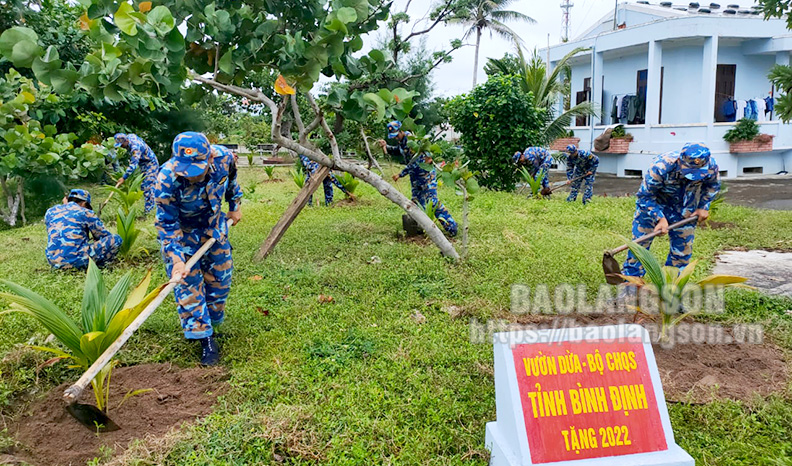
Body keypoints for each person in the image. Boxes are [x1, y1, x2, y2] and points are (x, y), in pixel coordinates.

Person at [154, 132, 243, 366]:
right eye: (186, 170)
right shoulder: (166, 179)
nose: (191, 176)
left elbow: (232, 179)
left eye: (197, 170)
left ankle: (211, 325)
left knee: (220, 280)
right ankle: (205, 340)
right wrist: (176, 259)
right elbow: (166, 223)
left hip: (214, 227)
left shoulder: (224, 158)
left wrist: (235, 206)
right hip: (182, 233)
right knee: (188, 285)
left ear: (210, 158)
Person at [622, 143, 720, 279]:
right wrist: (660, 218)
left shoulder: (710, 166)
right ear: (680, 161)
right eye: (689, 171)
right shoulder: (660, 167)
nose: (693, 176)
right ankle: (631, 287)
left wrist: (703, 206)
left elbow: (712, 186)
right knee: (639, 250)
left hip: (685, 210)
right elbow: (645, 196)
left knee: (682, 253)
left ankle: (671, 290)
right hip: (653, 207)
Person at [377, 121, 458, 236]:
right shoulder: (402, 142)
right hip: (415, 178)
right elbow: (397, 150)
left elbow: (415, 163)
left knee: (432, 202)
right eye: (393, 137)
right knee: (416, 203)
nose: (396, 138)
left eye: (396, 135)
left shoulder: (413, 141)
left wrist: (400, 174)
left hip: (426, 176)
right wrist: (386, 146)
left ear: (401, 131)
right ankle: (419, 228)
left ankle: (451, 227)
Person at [45, 189, 122, 270]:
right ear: (84, 203)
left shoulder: (50, 212)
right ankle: (100, 266)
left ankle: (60, 265)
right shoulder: (85, 212)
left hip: (53, 261)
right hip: (77, 260)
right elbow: (103, 236)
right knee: (116, 239)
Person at [114, 133, 160, 214]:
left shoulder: (136, 148)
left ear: (126, 141)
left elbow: (133, 166)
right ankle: (151, 207)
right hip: (143, 163)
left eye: (122, 144)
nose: (121, 147)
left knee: (148, 186)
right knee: (143, 186)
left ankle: (149, 211)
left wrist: (123, 178)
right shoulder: (130, 137)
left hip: (151, 164)